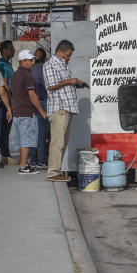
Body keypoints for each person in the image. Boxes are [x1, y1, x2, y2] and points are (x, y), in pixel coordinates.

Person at [43, 39, 86, 182]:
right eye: (67, 55)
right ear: (60, 52)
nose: (69, 58)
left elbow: (63, 85)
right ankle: (53, 172)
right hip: (59, 108)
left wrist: (76, 84)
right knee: (58, 142)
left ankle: (57, 170)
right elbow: (51, 85)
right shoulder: (50, 65)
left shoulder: (63, 65)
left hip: (67, 108)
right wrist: (70, 81)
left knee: (63, 142)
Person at [10, 49, 48, 174]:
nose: (33, 62)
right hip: (27, 112)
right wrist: (41, 111)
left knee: (22, 141)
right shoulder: (28, 76)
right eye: (31, 60)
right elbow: (32, 95)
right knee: (26, 141)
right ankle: (23, 167)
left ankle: (25, 164)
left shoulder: (16, 75)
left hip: (18, 111)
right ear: (24, 61)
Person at [0, 39, 17, 164]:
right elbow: (4, 85)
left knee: (6, 129)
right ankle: (5, 155)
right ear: (4, 50)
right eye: (11, 48)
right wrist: (11, 101)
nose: (13, 50)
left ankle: (5, 154)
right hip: (5, 101)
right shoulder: (2, 65)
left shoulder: (7, 64)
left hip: (8, 100)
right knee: (4, 129)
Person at [30, 47, 50, 167]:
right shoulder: (45, 70)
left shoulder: (29, 70)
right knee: (42, 133)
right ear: (45, 59)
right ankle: (41, 159)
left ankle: (32, 159)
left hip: (31, 103)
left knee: (33, 132)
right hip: (43, 102)